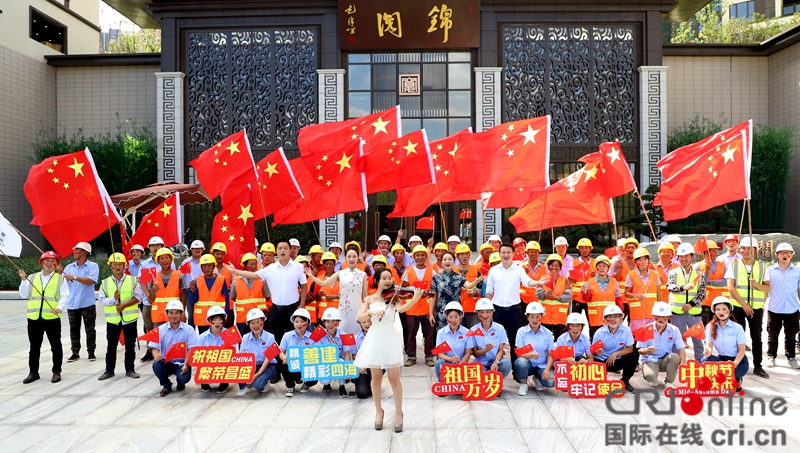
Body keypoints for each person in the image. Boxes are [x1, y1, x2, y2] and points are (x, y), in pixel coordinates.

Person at [224, 238, 308, 384]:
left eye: (285, 248)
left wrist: (301, 304)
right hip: (276, 309)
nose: (282, 250)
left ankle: (296, 371)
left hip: (293, 309)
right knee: (275, 341)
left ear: (290, 251)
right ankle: (276, 371)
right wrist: (236, 271)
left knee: (294, 341)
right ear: (277, 251)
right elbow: (254, 275)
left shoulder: (297, 267)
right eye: (280, 248)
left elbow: (304, 286)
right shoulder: (270, 269)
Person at [355, 268, 425, 432]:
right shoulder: (369, 299)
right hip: (374, 337)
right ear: (377, 281)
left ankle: (399, 412)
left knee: (394, 378)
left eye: (390, 278)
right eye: (384, 278)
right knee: (376, 377)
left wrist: (415, 298)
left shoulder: (393, 298)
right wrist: (371, 312)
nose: (388, 281)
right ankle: (379, 411)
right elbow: (360, 317)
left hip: (389, 336)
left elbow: (402, 309)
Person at [485, 243, 543, 379]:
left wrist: (539, 282)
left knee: (515, 342)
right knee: (495, 341)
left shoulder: (518, 270)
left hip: (514, 310)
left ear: (513, 254)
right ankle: (493, 370)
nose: (505, 255)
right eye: (503, 252)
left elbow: (528, 282)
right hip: (497, 310)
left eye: (508, 252)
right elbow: (489, 291)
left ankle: (518, 373)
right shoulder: (493, 271)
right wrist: (487, 309)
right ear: (499, 254)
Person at [19, 251, 69, 384]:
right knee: (34, 347)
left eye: (53, 261)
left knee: (56, 346)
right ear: (41, 262)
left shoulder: (60, 278)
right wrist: (24, 281)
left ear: (56, 264)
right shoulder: (32, 277)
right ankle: (33, 372)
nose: (49, 263)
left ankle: (56, 371)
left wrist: (59, 308)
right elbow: (24, 295)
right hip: (34, 318)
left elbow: (65, 295)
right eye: (46, 260)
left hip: (52, 317)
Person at [725, 236, 769, 378]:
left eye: (749, 248)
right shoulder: (734, 265)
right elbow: (730, 287)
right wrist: (744, 305)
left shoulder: (762, 266)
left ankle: (758, 366)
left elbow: (768, 288)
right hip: (738, 306)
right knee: (737, 337)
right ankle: (736, 364)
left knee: (757, 338)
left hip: (756, 308)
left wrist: (756, 285)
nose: (746, 251)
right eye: (743, 248)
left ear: (755, 250)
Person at [98, 253, 144, 381]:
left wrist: (124, 305)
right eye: (115, 264)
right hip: (113, 320)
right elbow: (101, 300)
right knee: (111, 346)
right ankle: (109, 370)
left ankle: (130, 369)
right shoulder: (105, 283)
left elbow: (138, 297)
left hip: (129, 319)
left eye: (120, 264)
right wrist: (113, 299)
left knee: (130, 346)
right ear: (111, 266)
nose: (117, 266)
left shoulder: (132, 280)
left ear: (124, 266)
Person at [305, 248, 368, 335]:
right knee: (342, 333)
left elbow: (365, 295)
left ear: (358, 258)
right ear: (345, 258)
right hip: (343, 310)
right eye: (349, 256)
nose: (351, 259)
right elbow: (323, 283)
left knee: (357, 333)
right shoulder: (340, 273)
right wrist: (311, 276)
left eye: (354, 256)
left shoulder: (363, 274)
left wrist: (366, 310)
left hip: (358, 308)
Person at [149, 300, 197, 396]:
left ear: (181, 314)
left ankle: (180, 382)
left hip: (182, 363)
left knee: (184, 378)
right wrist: (156, 355)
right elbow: (154, 346)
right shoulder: (160, 329)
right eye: (171, 312)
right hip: (166, 361)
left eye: (177, 313)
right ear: (167, 314)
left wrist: (186, 364)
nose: (174, 316)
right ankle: (166, 386)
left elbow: (191, 349)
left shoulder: (189, 330)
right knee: (156, 364)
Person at [61, 241, 100, 363]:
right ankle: (75, 352)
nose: (74, 252)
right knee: (74, 329)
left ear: (84, 252)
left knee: (90, 329)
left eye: (77, 250)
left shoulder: (93, 266)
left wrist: (75, 277)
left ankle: (91, 352)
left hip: (87, 304)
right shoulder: (68, 268)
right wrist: (59, 273)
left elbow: (91, 281)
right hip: (72, 303)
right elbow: (63, 284)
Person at [400, 245, 438, 366]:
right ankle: (411, 356)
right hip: (412, 308)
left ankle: (429, 356)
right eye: (418, 255)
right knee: (411, 333)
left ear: (426, 257)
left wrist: (432, 309)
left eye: (422, 255)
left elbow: (435, 290)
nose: (420, 257)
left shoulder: (431, 271)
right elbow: (403, 289)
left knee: (429, 333)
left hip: (427, 309)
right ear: (414, 257)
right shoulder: (408, 271)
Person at [667, 243, 706, 360]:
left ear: (692, 257)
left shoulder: (699, 274)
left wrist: (691, 304)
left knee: (698, 340)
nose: (683, 259)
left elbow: (702, 293)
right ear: (677, 257)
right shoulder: (673, 272)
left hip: (694, 313)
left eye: (686, 256)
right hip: (676, 313)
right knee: (676, 340)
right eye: (681, 256)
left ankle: (699, 363)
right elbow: (669, 286)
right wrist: (682, 287)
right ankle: (676, 362)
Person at [764, 243, 800, 369]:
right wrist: (762, 305)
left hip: (792, 308)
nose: (785, 255)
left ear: (792, 255)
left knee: (791, 335)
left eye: (787, 252)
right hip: (775, 308)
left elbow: (799, 290)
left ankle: (791, 358)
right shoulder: (770, 271)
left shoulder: (797, 271)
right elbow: (766, 290)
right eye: (782, 252)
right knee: (772, 334)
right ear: (777, 255)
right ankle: (771, 356)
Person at [431, 252, 484, 331]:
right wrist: (431, 313)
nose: (447, 261)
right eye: (445, 259)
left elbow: (469, 286)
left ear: (453, 261)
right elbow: (433, 296)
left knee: (457, 334)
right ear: (441, 262)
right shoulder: (436, 278)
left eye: (450, 259)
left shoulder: (459, 277)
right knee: (443, 336)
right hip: (441, 312)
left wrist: (476, 281)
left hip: (456, 311)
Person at [703, 296, 748, 392]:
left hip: (738, 362)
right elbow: (709, 345)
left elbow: (742, 350)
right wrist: (708, 351)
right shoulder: (710, 326)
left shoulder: (737, 328)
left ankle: (736, 379)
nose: (721, 312)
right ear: (714, 311)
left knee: (730, 374)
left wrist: (734, 364)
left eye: (724, 309)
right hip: (722, 360)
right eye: (718, 309)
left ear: (730, 311)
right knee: (704, 361)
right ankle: (723, 379)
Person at [636, 302, 685, 388]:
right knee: (650, 376)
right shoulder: (646, 329)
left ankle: (668, 381)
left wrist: (683, 363)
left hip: (666, 360)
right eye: (658, 316)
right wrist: (646, 350)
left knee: (675, 357)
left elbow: (681, 348)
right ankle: (653, 378)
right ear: (653, 316)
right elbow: (639, 349)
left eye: (664, 317)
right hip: (650, 359)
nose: (661, 319)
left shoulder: (674, 330)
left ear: (669, 317)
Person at [592, 305, 637, 393]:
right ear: (605, 319)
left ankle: (625, 381)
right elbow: (592, 352)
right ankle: (598, 382)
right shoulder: (599, 332)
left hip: (617, 360)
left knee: (633, 357)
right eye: (610, 316)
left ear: (621, 319)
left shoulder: (626, 330)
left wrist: (615, 354)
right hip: (603, 361)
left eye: (616, 316)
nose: (613, 319)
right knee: (591, 361)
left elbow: (630, 349)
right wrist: (597, 352)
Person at [515, 302, 555, 395]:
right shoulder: (522, 332)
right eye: (532, 317)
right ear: (527, 317)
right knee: (520, 362)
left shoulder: (547, 333)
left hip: (542, 365)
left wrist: (548, 369)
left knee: (551, 382)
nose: (535, 320)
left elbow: (551, 354)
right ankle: (524, 384)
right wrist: (531, 355)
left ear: (541, 317)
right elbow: (519, 353)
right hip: (527, 364)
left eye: (537, 317)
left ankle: (537, 378)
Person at [277, 308, 318, 396]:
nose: (299, 324)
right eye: (296, 321)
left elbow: (316, 354)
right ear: (293, 323)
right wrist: (283, 357)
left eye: (302, 321)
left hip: (306, 365)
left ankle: (306, 384)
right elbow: (281, 351)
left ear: (307, 323)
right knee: (284, 367)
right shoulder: (287, 336)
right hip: (292, 365)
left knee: (316, 374)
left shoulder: (312, 337)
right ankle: (290, 386)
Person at [468, 298, 512, 378]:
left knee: (506, 363)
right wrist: (485, 350)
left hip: (496, 361)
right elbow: (475, 353)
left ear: (492, 312)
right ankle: (487, 382)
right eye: (481, 312)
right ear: (478, 313)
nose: (485, 315)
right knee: (476, 371)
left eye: (488, 312)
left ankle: (495, 382)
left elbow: (500, 350)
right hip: (481, 363)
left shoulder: (499, 328)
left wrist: (496, 362)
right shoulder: (473, 330)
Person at [238, 308, 278, 396]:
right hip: (251, 366)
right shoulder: (245, 338)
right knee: (237, 373)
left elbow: (268, 359)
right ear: (248, 324)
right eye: (252, 323)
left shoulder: (270, 337)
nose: (256, 325)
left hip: (267, 366)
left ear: (263, 322)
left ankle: (260, 384)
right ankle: (248, 386)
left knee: (258, 384)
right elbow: (242, 357)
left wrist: (258, 374)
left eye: (258, 322)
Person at [187, 254, 229, 335]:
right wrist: (192, 291)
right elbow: (193, 300)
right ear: (201, 268)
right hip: (202, 319)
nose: (207, 268)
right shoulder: (197, 280)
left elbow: (227, 299)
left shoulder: (221, 280)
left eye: (209, 265)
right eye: (204, 266)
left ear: (214, 266)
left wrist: (226, 314)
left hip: (217, 318)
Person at [146, 247, 187, 328]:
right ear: (158, 261)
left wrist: (183, 313)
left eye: (167, 258)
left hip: (174, 314)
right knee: (160, 339)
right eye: (162, 258)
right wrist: (152, 292)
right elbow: (150, 299)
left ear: (171, 259)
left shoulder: (179, 276)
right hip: (158, 315)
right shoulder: (154, 277)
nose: (165, 260)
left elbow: (183, 295)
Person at [581, 255, 621, 339]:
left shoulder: (614, 282)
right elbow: (586, 299)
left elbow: (618, 299)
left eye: (604, 266)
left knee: (610, 339)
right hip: (595, 318)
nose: (602, 268)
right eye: (599, 266)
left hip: (610, 318)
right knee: (596, 341)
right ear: (596, 268)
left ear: (608, 268)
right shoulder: (590, 282)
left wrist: (620, 315)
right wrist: (584, 293)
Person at [231, 253, 270, 336]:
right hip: (242, 318)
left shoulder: (262, 279)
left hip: (258, 317)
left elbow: (267, 296)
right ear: (245, 265)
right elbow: (233, 297)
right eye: (251, 264)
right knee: (243, 342)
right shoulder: (236, 280)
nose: (253, 266)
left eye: (255, 264)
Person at [316, 307, 352, 397]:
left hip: (339, 362)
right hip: (325, 362)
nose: (330, 324)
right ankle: (327, 384)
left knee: (341, 363)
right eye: (328, 322)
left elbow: (347, 354)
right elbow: (316, 352)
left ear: (338, 323)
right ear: (324, 323)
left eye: (333, 321)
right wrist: (329, 348)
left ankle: (341, 385)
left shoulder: (345, 335)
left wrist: (347, 369)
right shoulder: (318, 334)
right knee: (324, 380)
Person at [195, 305, 230, 393]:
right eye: (214, 319)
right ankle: (204, 381)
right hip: (208, 362)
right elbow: (198, 355)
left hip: (223, 362)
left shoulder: (229, 335)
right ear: (209, 321)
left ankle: (224, 382)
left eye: (220, 319)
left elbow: (233, 353)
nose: (217, 322)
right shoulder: (202, 337)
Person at [433, 301, 471, 381]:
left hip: (462, 364)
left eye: (456, 317)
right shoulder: (441, 332)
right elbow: (440, 354)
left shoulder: (467, 332)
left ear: (461, 316)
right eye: (450, 317)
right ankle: (442, 382)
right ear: (446, 317)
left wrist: (461, 363)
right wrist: (451, 360)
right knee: (439, 363)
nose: (453, 320)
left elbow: (468, 353)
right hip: (447, 365)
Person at [625, 248, 661, 331]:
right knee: (637, 338)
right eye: (640, 259)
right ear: (636, 262)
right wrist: (636, 296)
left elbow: (659, 295)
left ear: (648, 260)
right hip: (637, 314)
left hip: (652, 313)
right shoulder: (631, 275)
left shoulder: (655, 274)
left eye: (645, 259)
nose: (643, 262)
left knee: (651, 339)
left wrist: (660, 310)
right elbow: (626, 294)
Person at [536, 254, 572, 337]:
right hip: (544, 318)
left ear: (560, 268)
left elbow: (568, 297)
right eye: (552, 265)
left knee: (560, 344)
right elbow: (538, 295)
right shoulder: (543, 279)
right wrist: (546, 293)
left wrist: (556, 297)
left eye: (557, 266)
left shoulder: (565, 280)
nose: (554, 268)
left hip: (560, 319)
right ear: (548, 267)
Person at [697, 240, 729, 325]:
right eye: (712, 251)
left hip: (721, 302)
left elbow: (726, 281)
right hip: (705, 302)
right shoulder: (698, 266)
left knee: (721, 328)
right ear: (705, 252)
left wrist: (710, 282)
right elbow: (700, 282)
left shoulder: (722, 264)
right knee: (707, 328)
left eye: (716, 251)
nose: (715, 253)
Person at [454, 243, 482, 328]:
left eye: (466, 253)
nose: (464, 256)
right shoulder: (452, 271)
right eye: (462, 254)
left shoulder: (476, 270)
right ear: (457, 256)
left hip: (473, 309)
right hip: (456, 309)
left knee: (473, 334)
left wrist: (475, 292)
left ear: (469, 255)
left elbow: (483, 290)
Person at [569, 238, 595, 319]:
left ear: (590, 249)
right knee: (575, 323)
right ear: (579, 249)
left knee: (592, 324)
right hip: (577, 299)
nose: (584, 250)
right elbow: (569, 281)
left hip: (591, 298)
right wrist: (574, 276)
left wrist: (594, 277)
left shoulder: (595, 262)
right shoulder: (573, 262)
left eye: (586, 248)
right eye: (582, 248)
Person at [352, 317, 374, 399]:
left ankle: (374, 384)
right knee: (362, 393)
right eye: (363, 322)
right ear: (360, 323)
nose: (367, 324)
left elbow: (380, 356)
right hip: (362, 368)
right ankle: (364, 383)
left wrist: (366, 365)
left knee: (374, 369)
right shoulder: (355, 338)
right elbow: (354, 355)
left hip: (376, 366)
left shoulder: (379, 336)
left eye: (369, 321)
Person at [520, 241, 546, 305]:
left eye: (536, 252)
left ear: (539, 253)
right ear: (527, 253)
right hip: (523, 300)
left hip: (538, 300)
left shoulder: (545, 268)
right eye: (531, 252)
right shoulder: (521, 267)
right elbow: (515, 283)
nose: (534, 254)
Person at [654, 243, 678, 310]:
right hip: (658, 303)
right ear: (659, 254)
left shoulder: (678, 268)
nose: (666, 254)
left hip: (674, 302)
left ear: (672, 255)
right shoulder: (653, 269)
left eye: (668, 252)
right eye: (663, 252)